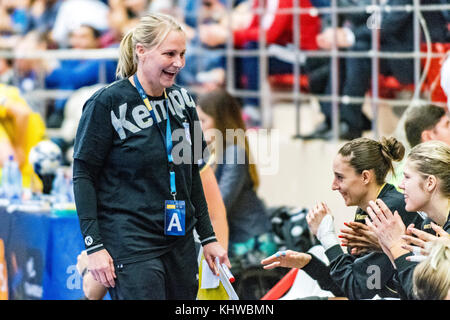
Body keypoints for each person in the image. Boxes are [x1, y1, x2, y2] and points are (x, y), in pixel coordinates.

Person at [73, 13, 229, 300]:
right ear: (141, 51)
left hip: (178, 238)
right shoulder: (106, 103)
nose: (178, 63)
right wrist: (94, 246)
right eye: (169, 53)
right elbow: (83, 175)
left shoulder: (184, 101)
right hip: (130, 238)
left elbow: (192, 174)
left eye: (182, 54)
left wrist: (208, 238)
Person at [261, 136, 423, 299]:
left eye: (340, 177)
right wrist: (308, 264)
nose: (333, 185)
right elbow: (348, 285)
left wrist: (327, 237)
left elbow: (358, 291)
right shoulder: (367, 208)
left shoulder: (387, 210)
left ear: (365, 177)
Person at [196, 89, 275, 264]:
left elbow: (220, 205)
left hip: (251, 242)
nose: (198, 126)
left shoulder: (234, 153)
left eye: (202, 121)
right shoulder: (208, 153)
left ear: (220, 121)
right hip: (231, 239)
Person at [366, 140, 450, 299]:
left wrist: (397, 247)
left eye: (407, 177)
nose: (401, 185)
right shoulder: (428, 225)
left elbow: (423, 296)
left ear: (430, 183)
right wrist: (392, 254)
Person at [0, 83, 46, 191]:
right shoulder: (10, 91)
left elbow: (22, 112)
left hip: (17, 187)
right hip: (30, 182)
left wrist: (19, 148)